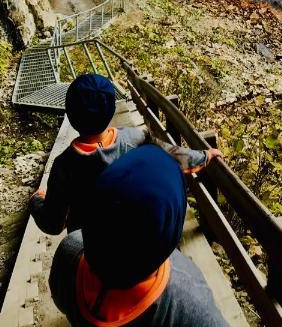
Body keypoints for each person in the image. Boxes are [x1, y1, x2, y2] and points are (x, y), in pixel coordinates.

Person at [50, 146, 282, 327]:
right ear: (171, 232)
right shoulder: (191, 314)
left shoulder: (72, 251)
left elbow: (147, 176)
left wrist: (198, 159)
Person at [30, 73, 221, 235]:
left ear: (70, 114)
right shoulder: (134, 138)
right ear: (112, 109)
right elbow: (174, 155)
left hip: (93, 252)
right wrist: (205, 155)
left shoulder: (65, 165)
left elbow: (53, 224)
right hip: (135, 235)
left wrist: (37, 200)